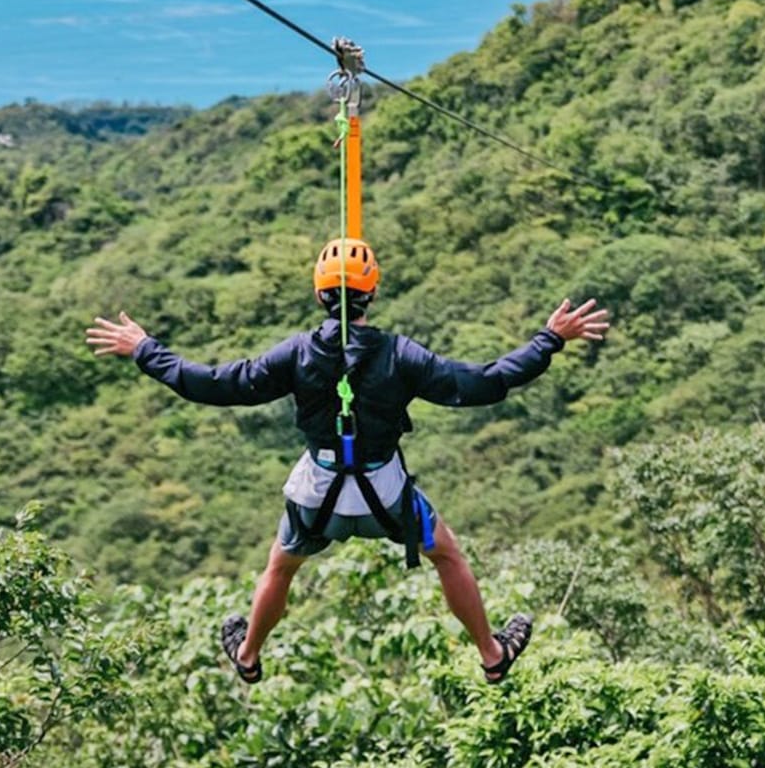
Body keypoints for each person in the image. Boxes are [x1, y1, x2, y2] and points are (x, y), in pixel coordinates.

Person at [85, 238, 609, 685]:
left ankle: (248, 656)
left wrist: (145, 348)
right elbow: (484, 383)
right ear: (372, 294)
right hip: (385, 493)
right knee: (446, 554)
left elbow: (217, 385)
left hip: (318, 492)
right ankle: (492, 657)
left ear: (319, 294)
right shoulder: (401, 354)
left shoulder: (296, 353)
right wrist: (548, 340)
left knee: (281, 565)